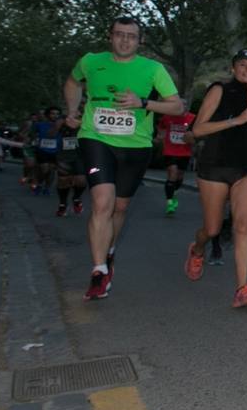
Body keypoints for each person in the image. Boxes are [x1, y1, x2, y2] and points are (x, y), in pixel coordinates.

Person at [64, 17, 184, 300]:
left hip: (135, 145)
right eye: (120, 34)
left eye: (131, 36)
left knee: (120, 207)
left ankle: (110, 252)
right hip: (96, 138)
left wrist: (142, 102)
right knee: (102, 202)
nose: (125, 40)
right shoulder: (91, 62)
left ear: (139, 41)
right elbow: (72, 82)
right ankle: (98, 270)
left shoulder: (153, 69)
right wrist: (71, 109)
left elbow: (177, 106)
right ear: (110, 36)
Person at [183, 50, 247, 308]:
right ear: (234, 68)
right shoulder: (220, 89)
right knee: (212, 229)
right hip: (215, 165)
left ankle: (242, 289)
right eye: (242, 65)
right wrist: (237, 120)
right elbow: (198, 129)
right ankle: (198, 249)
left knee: (243, 227)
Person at [157, 107, 197, 216]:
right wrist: (161, 135)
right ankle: (169, 202)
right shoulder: (168, 116)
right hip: (170, 151)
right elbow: (161, 126)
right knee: (172, 172)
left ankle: (172, 192)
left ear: (186, 108)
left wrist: (194, 139)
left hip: (185, 152)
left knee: (179, 176)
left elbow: (197, 132)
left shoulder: (192, 117)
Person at [52, 113, 86, 216]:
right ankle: (63, 204)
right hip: (63, 157)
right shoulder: (61, 121)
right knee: (63, 181)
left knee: (81, 181)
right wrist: (57, 126)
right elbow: (50, 135)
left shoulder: (84, 120)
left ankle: (76, 198)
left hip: (80, 156)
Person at [31, 108, 62, 196]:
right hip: (42, 150)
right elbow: (32, 134)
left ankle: (47, 187)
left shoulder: (62, 125)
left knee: (51, 171)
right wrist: (34, 141)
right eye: (52, 113)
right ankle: (40, 184)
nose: (55, 116)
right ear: (48, 115)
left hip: (56, 151)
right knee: (44, 169)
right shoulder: (39, 125)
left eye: (57, 114)